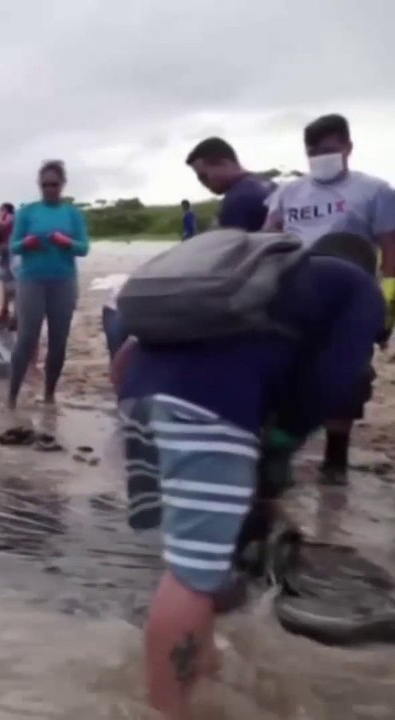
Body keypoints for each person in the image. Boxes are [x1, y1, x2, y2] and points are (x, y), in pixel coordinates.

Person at [112, 250, 383, 719]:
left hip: (139, 391)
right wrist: (281, 440)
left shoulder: (265, 277)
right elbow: (336, 377)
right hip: (209, 404)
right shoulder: (360, 290)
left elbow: (125, 343)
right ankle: (167, 710)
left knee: (199, 557)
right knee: (193, 575)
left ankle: (203, 672)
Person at [262, 113, 395, 484]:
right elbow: (267, 236)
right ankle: (281, 450)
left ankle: (336, 457)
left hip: (351, 299)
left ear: (348, 148)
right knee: (285, 368)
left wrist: (388, 302)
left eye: (329, 150)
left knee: (349, 374)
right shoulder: (288, 192)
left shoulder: (375, 191)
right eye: (313, 152)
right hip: (293, 293)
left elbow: (391, 250)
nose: (321, 157)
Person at [6, 160, 90, 409]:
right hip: (31, 280)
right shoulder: (27, 212)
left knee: (58, 340)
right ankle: (11, 395)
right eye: (45, 185)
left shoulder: (72, 214)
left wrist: (66, 242)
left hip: (63, 281)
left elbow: (84, 248)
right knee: (26, 338)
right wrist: (27, 243)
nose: (50, 189)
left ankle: (50, 394)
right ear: (39, 185)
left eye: (54, 184)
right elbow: (13, 246)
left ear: (62, 185)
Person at [184, 136, 275, 231]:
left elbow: (227, 244)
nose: (203, 182)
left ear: (223, 163)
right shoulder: (268, 184)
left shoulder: (239, 198)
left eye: (203, 176)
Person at [0, 203, 17, 325]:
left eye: (1, 209)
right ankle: (5, 310)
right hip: (5, 250)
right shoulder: (7, 217)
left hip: (11, 250)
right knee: (5, 281)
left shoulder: (10, 217)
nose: (0, 211)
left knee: (11, 281)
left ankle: (11, 312)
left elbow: (1, 226)